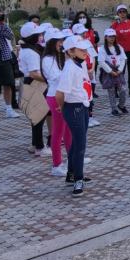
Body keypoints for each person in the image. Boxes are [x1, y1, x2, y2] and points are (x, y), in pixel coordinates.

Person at [56, 36, 93, 198]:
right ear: (71, 52)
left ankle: (72, 173)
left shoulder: (79, 64)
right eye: (81, 50)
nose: (85, 52)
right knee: (80, 145)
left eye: (85, 49)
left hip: (82, 107)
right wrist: (64, 108)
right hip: (74, 108)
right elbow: (59, 93)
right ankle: (78, 179)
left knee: (78, 142)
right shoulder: (70, 68)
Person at [42, 28, 71, 177]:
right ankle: (56, 164)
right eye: (59, 41)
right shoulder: (47, 59)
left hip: (64, 95)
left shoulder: (60, 57)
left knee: (68, 130)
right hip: (55, 96)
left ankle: (71, 159)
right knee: (58, 132)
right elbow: (55, 77)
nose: (61, 43)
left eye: (62, 40)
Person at [18, 21, 50, 156]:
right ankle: (39, 147)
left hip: (30, 82)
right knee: (39, 116)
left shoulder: (27, 49)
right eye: (38, 34)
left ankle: (34, 144)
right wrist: (50, 80)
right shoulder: (31, 53)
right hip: (34, 82)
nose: (41, 36)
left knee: (36, 115)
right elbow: (34, 73)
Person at [110, 4, 130, 97]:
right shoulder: (114, 25)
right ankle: (116, 90)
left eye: (124, 11)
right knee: (119, 72)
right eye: (120, 12)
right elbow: (110, 37)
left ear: (126, 13)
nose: (122, 13)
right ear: (117, 13)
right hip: (119, 52)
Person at [98, 29, 128, 116]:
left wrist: (120, 70)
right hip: (109, 72)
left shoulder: (119, 47)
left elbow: (123, 59)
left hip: (118, 71)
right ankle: (113, 108)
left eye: (113, 36)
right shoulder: (103, 49)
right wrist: (110, 71)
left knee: (122, 90)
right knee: (111, 91)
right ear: (106, 37)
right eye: (110, 36)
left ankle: (121, 105)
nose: (112, 38)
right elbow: (101, 62)